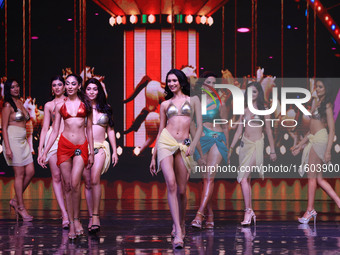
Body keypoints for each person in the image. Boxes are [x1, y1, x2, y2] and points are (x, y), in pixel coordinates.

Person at [150, 69, 202, 249]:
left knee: (181, 190)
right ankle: (178, 232)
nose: (171, 84)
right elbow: (160, 129)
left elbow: (199, 127)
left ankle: (180, 224)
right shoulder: (165, 104)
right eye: (168, 81)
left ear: (181, 81)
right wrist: (154, 154)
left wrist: (194, 146)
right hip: (166, 142)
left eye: (174, 80)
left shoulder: (193, 100)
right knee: (170, 184)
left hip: (184, 144)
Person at [38, 74, 94, 240]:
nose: (69, 86)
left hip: (80, 146)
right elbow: (54, 131)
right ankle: (71, 222)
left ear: (78, 86)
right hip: (64, 146)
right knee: (68, 185)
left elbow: (89, 129)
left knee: (75, 183)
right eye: (67, 84)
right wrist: (45, 151)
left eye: (73, 84)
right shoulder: (60, 106)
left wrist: (91, 151)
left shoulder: (86, 104)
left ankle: (77, 220)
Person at [291, 79, 340, 224]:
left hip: (320, 140)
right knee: (318, 178)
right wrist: (299, 145)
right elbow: (310, 131)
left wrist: (328, 151)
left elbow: (331, 130)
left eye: (320, 87)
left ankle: (310, 210)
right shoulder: (317, 104)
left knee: (311, 177)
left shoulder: (328, 106)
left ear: (326, 89)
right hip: (314, 138)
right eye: (316, 86)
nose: (317, 89)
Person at [228, 81, 277, 226]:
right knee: (246, 180)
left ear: (259, 93)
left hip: (257, 145)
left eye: (254, 92)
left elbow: (268, 131)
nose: (252, 95)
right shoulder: (244, 109)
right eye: (249, 92)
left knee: (243, 178)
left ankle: (247, 210)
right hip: (244, 145)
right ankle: (250, 211)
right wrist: (230, 148)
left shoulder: (264, 109)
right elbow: (238, 131)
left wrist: (273, 150)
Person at [191, 72, 229, 229]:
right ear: (202, 84)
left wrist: (228, 147)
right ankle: (210, 214)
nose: (211, 85)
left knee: (210, 176)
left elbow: (226, 126)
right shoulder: (196, 102)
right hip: (201, 139)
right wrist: (193, 144)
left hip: (217, 138)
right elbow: (191, 125)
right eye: (208, 82)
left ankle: (199, 215)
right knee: (205, 179)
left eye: (214, 83)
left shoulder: (221, 104)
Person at [83, 78, 118, 233]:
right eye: (89, 89)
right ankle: (91, 216)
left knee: (95, 179)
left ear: (99, 91)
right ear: (84, 91)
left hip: (101, 147)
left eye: (95, 89)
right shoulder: (81, 108)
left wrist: (115, 150)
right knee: (88, 182)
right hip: (84, 147)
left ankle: (96, 215)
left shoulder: (106, 108)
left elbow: (110, 130)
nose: (92, 92)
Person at [37, 75, 69, 229]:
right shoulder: (49, 105)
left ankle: (71, 212)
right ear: (52, 88)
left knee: (67, 179)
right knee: (56, 177)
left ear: (65, 86)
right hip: (52, 140)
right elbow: (45, 128)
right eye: (54, 85)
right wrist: (40, 148)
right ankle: (64, 214)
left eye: (59, 85)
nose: (57, 87)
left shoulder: (71, 101)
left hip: (68, 139)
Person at [2, 79, 35, 221]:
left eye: (17, 86)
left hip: (23, 141)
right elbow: (3, 128)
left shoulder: (20, 102)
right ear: (8, 90)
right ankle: (21, 208)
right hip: (13, 140)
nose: (15, 89)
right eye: (12, 87)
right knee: (19, 174)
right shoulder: (7, 105)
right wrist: (8, 147)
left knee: (31, 171)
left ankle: (15, 200)